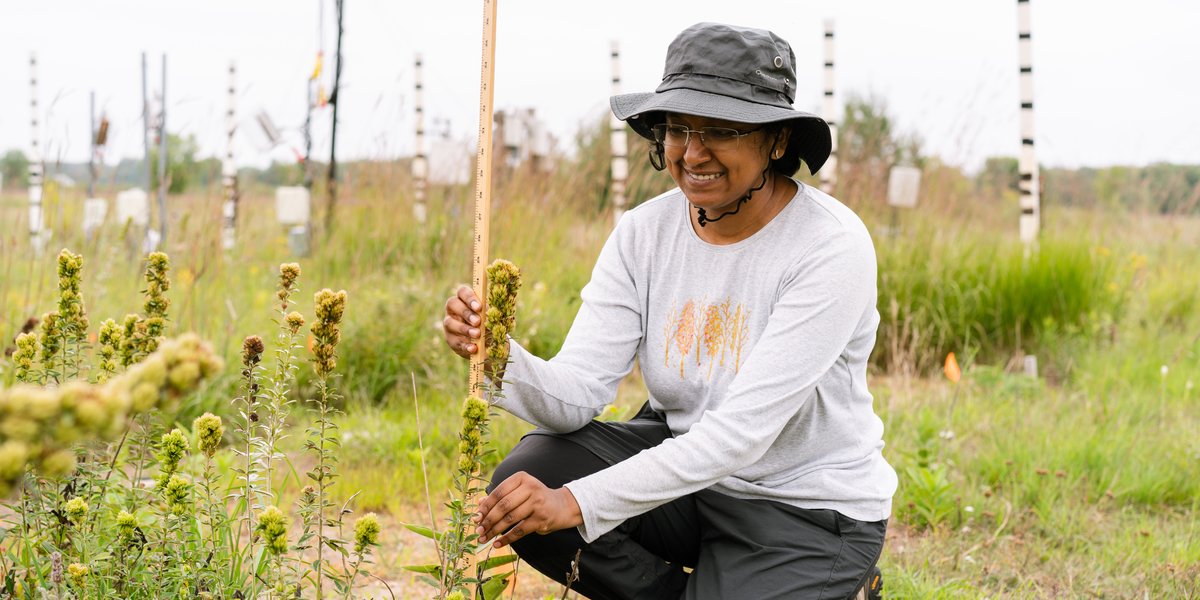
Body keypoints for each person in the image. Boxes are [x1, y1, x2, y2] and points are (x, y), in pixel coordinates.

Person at [442, 22, 896, 600]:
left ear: (776, 141)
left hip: (802, 509)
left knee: (563, 496)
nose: (693, 153)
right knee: (528, 480)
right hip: (686, 487)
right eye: (679, 128)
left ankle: (840, 580)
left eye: (721, 131)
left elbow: (739, 436)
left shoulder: (830, 247)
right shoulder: (644, 232)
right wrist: (498, 355)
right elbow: (579, 392)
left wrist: (578, 503)